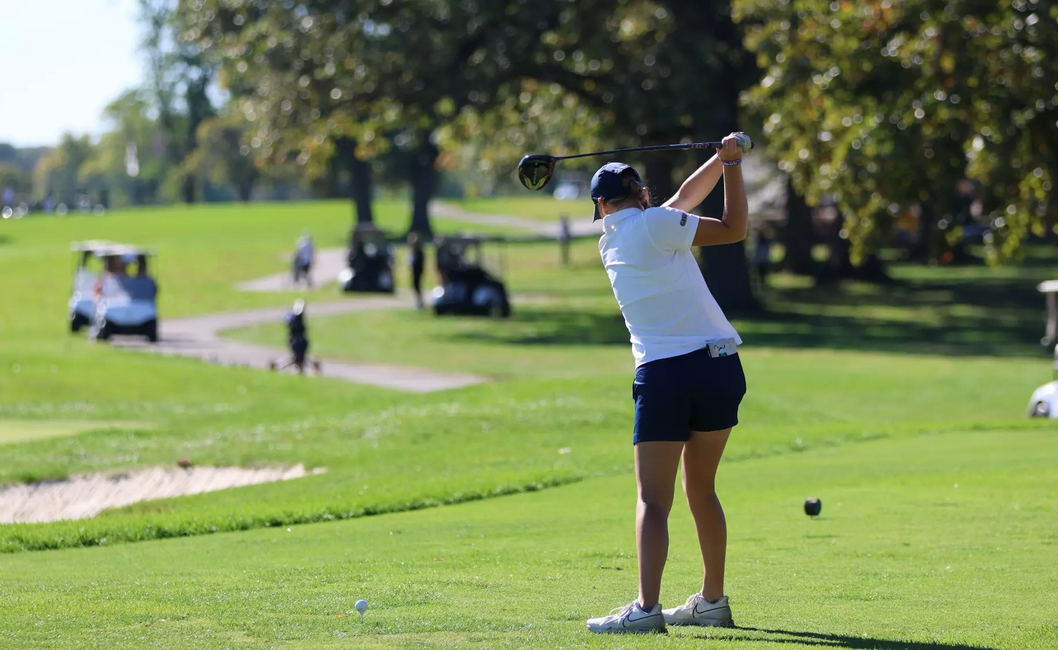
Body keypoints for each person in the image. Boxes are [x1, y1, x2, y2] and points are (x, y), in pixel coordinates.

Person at [584, 133, 750, 634]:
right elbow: (732, 226)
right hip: (720, 367)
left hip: (665, 373)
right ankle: (713, 602)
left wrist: (721, 161)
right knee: (702, 489)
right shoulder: (657, 223)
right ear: (642, 194)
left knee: (654, 499)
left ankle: (647, 609)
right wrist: (734, 165)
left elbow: (681, 202)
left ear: (600, 205)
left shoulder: (613, 237)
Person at [407, 232, 426, 309]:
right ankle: (419, 302)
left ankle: (420, 302)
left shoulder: (419, 252)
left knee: (417, 286)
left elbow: (419, 262)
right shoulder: (413, 252)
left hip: (417, 271)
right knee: (415, 286)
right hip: (415, 271)